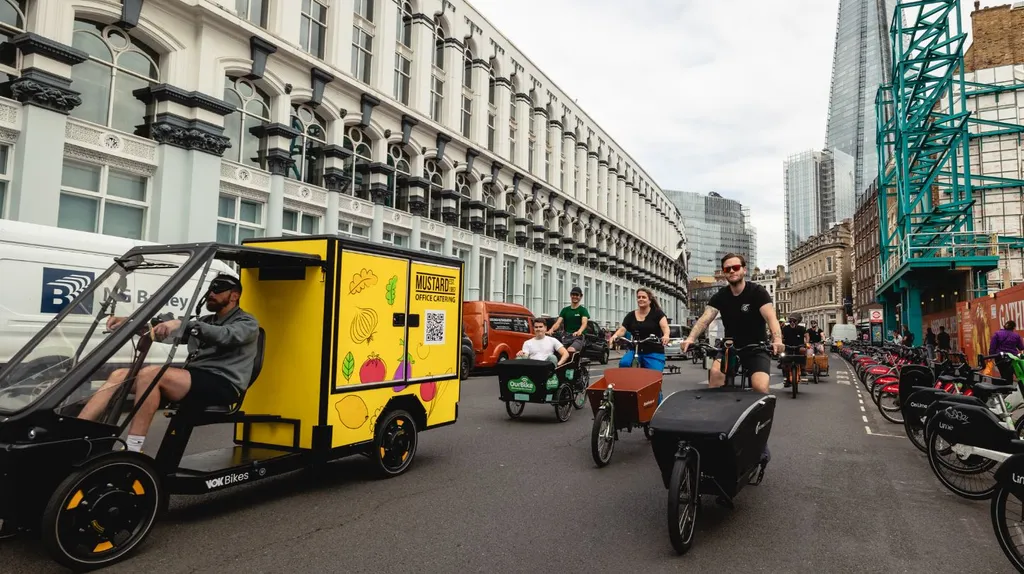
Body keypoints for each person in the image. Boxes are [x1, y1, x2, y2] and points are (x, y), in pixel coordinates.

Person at [78, 274, 261, 453]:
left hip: (223, 385)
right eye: (210, 288)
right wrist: (129, 323)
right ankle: (77, 436)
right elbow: (162, 332)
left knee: (151, 374)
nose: (211, 293)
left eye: (219, 288)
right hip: (193, 380)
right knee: (118, 376)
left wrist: (184, 324)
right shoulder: (205, 321)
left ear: (234, 296)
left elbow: (225, 335)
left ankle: (133, 450)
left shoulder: (247, 322)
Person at [680, 253, 784, 468]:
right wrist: (691, 337)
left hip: (756, 347)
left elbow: (771, 318)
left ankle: (760, 440)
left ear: (744, 269)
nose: (732, 271)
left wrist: (777, 339)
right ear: (724, 273)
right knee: (715, 377)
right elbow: (705, 318)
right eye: (727, 269)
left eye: (735, 267)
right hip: (731, 347)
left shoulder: (757, 292)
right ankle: (714, 429)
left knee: (760, 387)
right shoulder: (721, 296)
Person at [609, 288, 671, 402]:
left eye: (643, 297)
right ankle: (627, 389)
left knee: (653, 381)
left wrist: (666, 335)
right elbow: (623, 330)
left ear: (649, 300)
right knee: (624, 363)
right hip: (636, 350)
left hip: (653, 351)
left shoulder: (658, 314)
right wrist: (614, 336)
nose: (640, 299)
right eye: (639, 297)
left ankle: (657, 409)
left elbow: (665, 327)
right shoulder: (631, 315)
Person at [550, 286, 590, 354]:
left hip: (578, 337)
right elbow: (558, 323)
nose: (575, 296)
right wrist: (551, 330)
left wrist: (579, 331)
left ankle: (572, 363)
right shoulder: (565, 310)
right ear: (570, 295)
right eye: (573, 294)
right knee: (556, 350)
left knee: (570, 350)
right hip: (566, 337)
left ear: (581, 296)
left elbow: (584, 323)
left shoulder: (583, 310)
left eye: (577, 295)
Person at [781, 314, 809, 387]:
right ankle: (787, 379)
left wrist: (807, 342)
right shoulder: (785, 328)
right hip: (788, 347)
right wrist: (779, 342)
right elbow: (781, 336)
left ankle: (803, 368)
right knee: (784, 360)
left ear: (797, 322)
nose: (792, 322)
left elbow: (806, 335)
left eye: (794, 321)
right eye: (790, 321)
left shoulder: (802, 328)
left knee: (803, 351)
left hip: (799, 347)